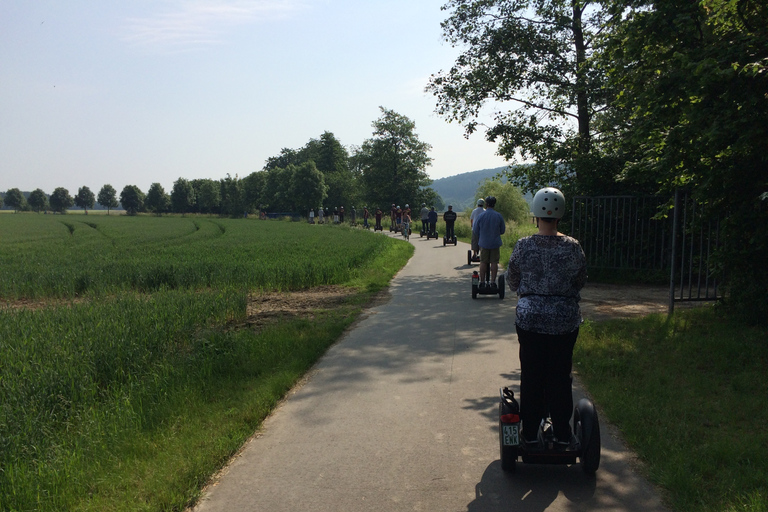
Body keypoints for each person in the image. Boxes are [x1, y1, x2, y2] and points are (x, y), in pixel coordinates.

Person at [506, 187, 587, 445]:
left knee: (531, 373)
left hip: (530, 320)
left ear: (535, 216)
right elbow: (580, 281)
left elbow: (512, 280)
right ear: (560, 215)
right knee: (560, 374)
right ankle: (563, 433)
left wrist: (531, 295)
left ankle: (529, 432)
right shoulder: (573, 247)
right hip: (564, 321)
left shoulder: (523, 246)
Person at [472, 196, 505, 286]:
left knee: (483, 262)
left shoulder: (481, 216)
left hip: (483, 243)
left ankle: (482, 282)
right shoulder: (498, 216)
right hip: (495, 243)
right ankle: (493, 282)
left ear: (486, 204)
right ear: (494, 204)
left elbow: (475, 230)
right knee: (494, 262)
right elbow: (502, 231)